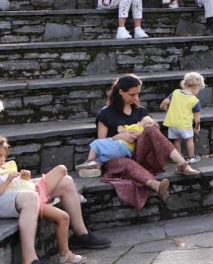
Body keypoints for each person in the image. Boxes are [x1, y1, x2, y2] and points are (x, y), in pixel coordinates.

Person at [82, 75, 199, 210]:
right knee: (127, 163)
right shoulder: (106, 113)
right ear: (121, 92)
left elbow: (153, 132)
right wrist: (118, 137)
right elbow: (100, 142)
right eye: (132, 95)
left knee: (150, 129)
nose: (136, 98)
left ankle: (182, 165)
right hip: (116, 157)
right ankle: (156, 185)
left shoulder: (141, 111)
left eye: (138, 94)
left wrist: (149, 127)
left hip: (140, 153)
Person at [1, 136, 111, 264]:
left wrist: (24, 179)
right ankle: (30, 259)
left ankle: (81, 234)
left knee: (67, 181)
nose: (3, 160)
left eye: (3, 156)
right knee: (33, 196)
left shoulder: (4, 167)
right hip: (9, 198)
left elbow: (16, 185)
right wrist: (10, 180)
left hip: (21, 192)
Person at [76, 116, 160, 173]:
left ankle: (90, 161)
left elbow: (120, 129)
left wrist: (123, 128)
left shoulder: (139, 129)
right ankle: (94, 170)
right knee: (102, 158)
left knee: (96, 143)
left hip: (122, 146)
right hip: (124, 151)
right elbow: (121, 129)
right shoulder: (139, 130)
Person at [160, 72, 206, 163]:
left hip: (172, 124)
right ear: (195, 87)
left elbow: (164, 103)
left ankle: (179, 158)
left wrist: (164, 107)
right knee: (189, 140)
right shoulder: (194, 100)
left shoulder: (175, 92)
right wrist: (197, 127)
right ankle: (191, 157)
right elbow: (197, 118)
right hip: (184, 125)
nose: (198, 91)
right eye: (199, 89)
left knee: (176, 140)